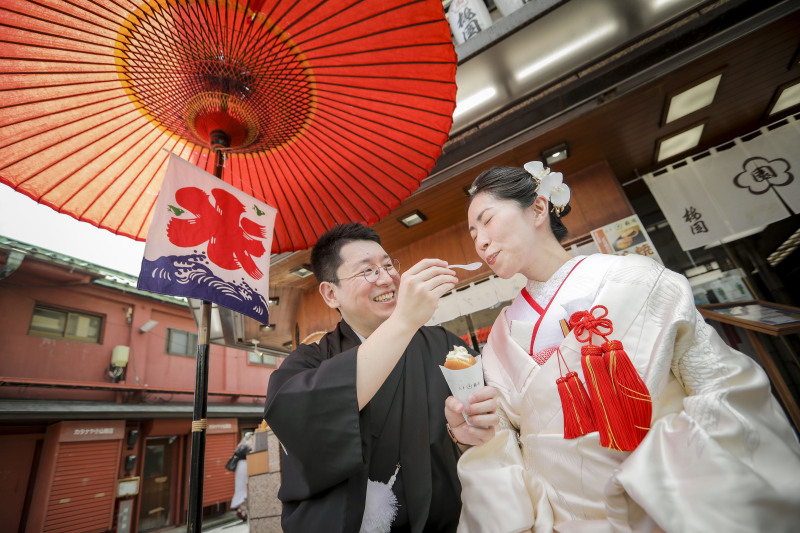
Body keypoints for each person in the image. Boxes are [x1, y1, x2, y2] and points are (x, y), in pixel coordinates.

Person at [451, 162, 800, 533]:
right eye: (473, 234)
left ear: (538, 208)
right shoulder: (501, 334)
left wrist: (668, 482)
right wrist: (473, 428)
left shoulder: (630, 277)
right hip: (559, 517)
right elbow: (506, 432)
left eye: (487, 220)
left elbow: (715, 383)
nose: (481, 241)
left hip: (661, 501)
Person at [263, 222, 498, 533]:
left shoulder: (444, 345)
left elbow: (485, 432)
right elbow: (301, 424)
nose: (387, 278)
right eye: (368, 271)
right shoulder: (308, 362)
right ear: (331, 293)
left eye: (388, 265)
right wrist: (404, 321)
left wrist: (470, 437)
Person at [230, 432, 254, 521]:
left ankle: (242, 510)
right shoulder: (248, 444)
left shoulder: (240, 444)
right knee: (244, 489)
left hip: (239, 467)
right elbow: (250, 453)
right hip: (245, 466)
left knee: (240, 488)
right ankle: (242, 511)